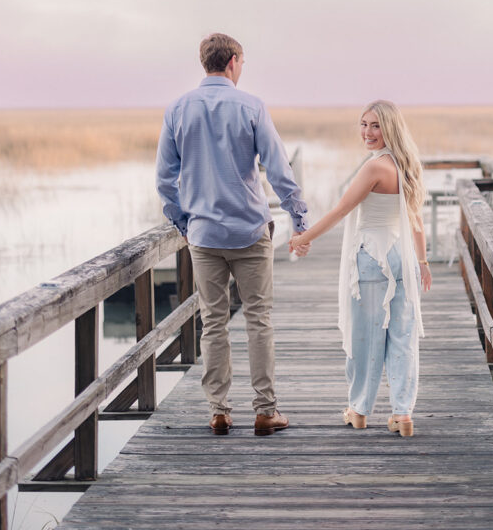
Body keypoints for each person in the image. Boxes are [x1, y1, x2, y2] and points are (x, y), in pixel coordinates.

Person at [156, 32, 309, 436]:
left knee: (213, 322)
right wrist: (298, 216)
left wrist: (185, 223)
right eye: (242, 62)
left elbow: (164, 181)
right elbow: (278, 170)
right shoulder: (252, 106)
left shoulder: (177, 109)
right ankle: (265, 410)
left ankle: (219, 411)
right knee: (258, 319)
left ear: (204, 62)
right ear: (234, 61)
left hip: (204, 236)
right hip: (249, 230)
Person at [289, 100, 430, 436]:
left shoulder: (374, 168)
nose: (367, 132)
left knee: (366, 337)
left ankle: (360, 409)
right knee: (402, 338)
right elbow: (416, 219)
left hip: (372, 258)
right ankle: (402, 414)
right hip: (402, 257)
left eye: (376, 126)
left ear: (390, 128)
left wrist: (301, 239)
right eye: (363, 124)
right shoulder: (406, 164)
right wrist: (422, 262)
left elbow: (339, 211)